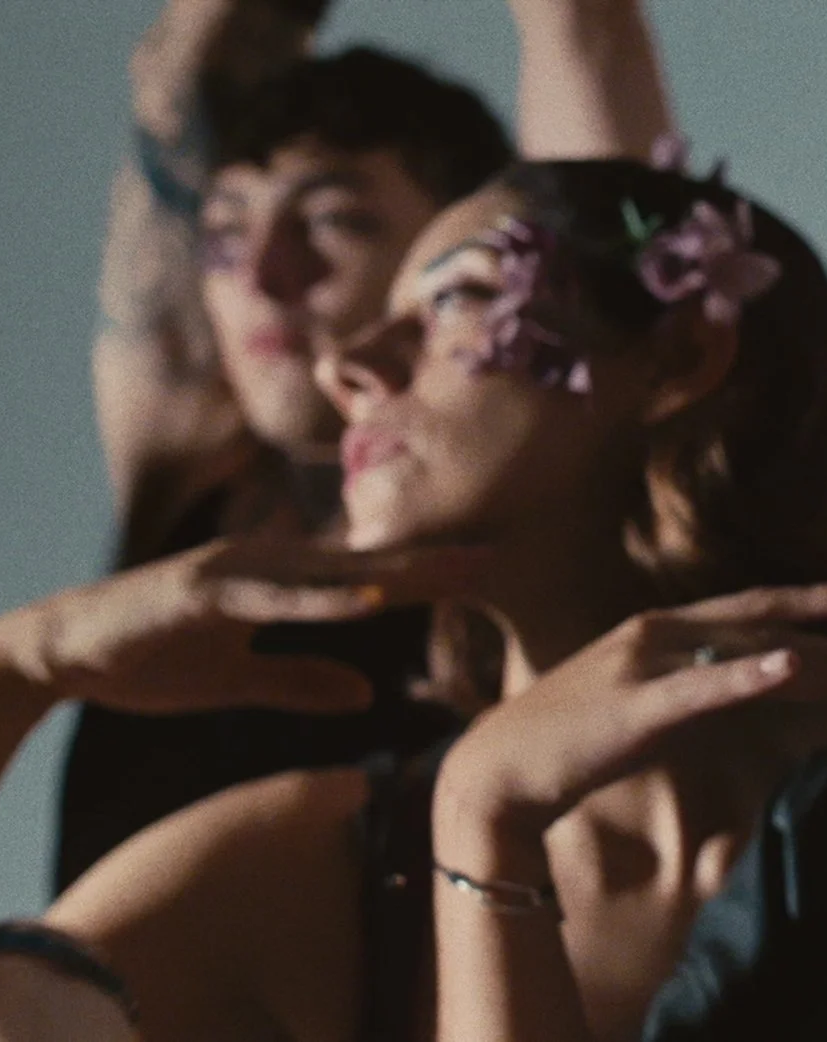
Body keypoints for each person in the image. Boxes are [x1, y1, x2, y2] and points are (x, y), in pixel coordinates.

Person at [0, 154, 827, 1042]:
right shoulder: (324, 876)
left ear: (677, 358)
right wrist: (9, 671)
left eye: (454, 296)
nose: (349, 367)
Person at [62, 0, 517, 888]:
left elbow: (591, 49)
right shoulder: (197, 467)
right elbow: (185, 81)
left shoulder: (532, 507)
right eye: (227, 231)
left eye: (335, 221)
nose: (266, 274)